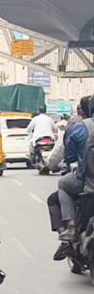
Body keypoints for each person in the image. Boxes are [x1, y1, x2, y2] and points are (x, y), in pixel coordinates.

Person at [54, 95, 93, 250]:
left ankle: (71, 226)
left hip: (86, 181)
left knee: (62, 184)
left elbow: (69, 156)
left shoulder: (79, 128)